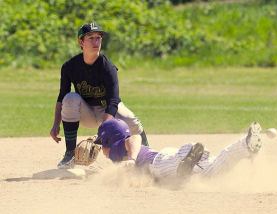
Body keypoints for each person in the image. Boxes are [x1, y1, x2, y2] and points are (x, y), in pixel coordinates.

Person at [50, 22, 149, 169]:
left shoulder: (107, 67)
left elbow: (114, 100)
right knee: (70, 98)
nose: (96, 42)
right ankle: (70, 154)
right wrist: (56, 124)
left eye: (98, 38)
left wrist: (105, 128)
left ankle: (146, 154)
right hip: (86, 112)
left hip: (107, 110)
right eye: (91, 38)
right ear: (81, 42)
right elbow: (61, 97)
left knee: (131, 121)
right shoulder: (70, 67)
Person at [95, 118, 263, 179]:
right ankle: (246, 144)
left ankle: (186, 161)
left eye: (102, 143)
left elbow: (135, 137)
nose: (102, 148)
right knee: (213, 170)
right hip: (168, 160)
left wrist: (131, 160)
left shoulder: (122, 148)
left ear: (110, 141)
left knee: (177, 164)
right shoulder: (119, 159)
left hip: (160, 162)